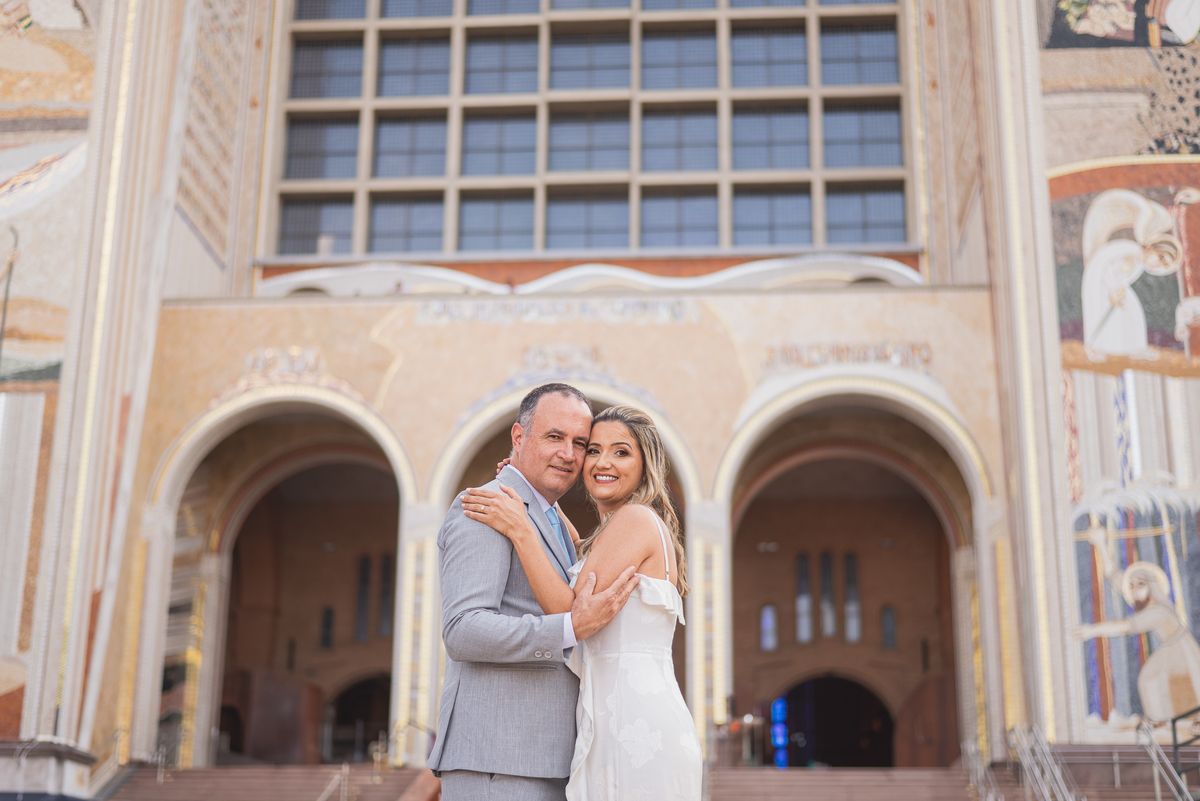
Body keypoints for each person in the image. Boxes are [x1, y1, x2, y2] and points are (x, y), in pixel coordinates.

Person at [462, 404, 703, 800]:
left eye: (621, 452)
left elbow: (569, 613)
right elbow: (575, 556)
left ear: (645, 465)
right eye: (593, 450)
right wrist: (528, 486)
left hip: (636, 728)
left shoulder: (635, 520)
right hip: (615, 718)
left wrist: (520, 529)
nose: (603, 462)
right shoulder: (618, 529)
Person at [429, 383, 642, 801]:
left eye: (579, 443)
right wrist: (569, 628)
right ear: (519, 436)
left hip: (550, 759)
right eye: (554, 437)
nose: (568, 454)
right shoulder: (486, 507)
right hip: (498, 760)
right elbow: (463, 629)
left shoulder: (549, 517)